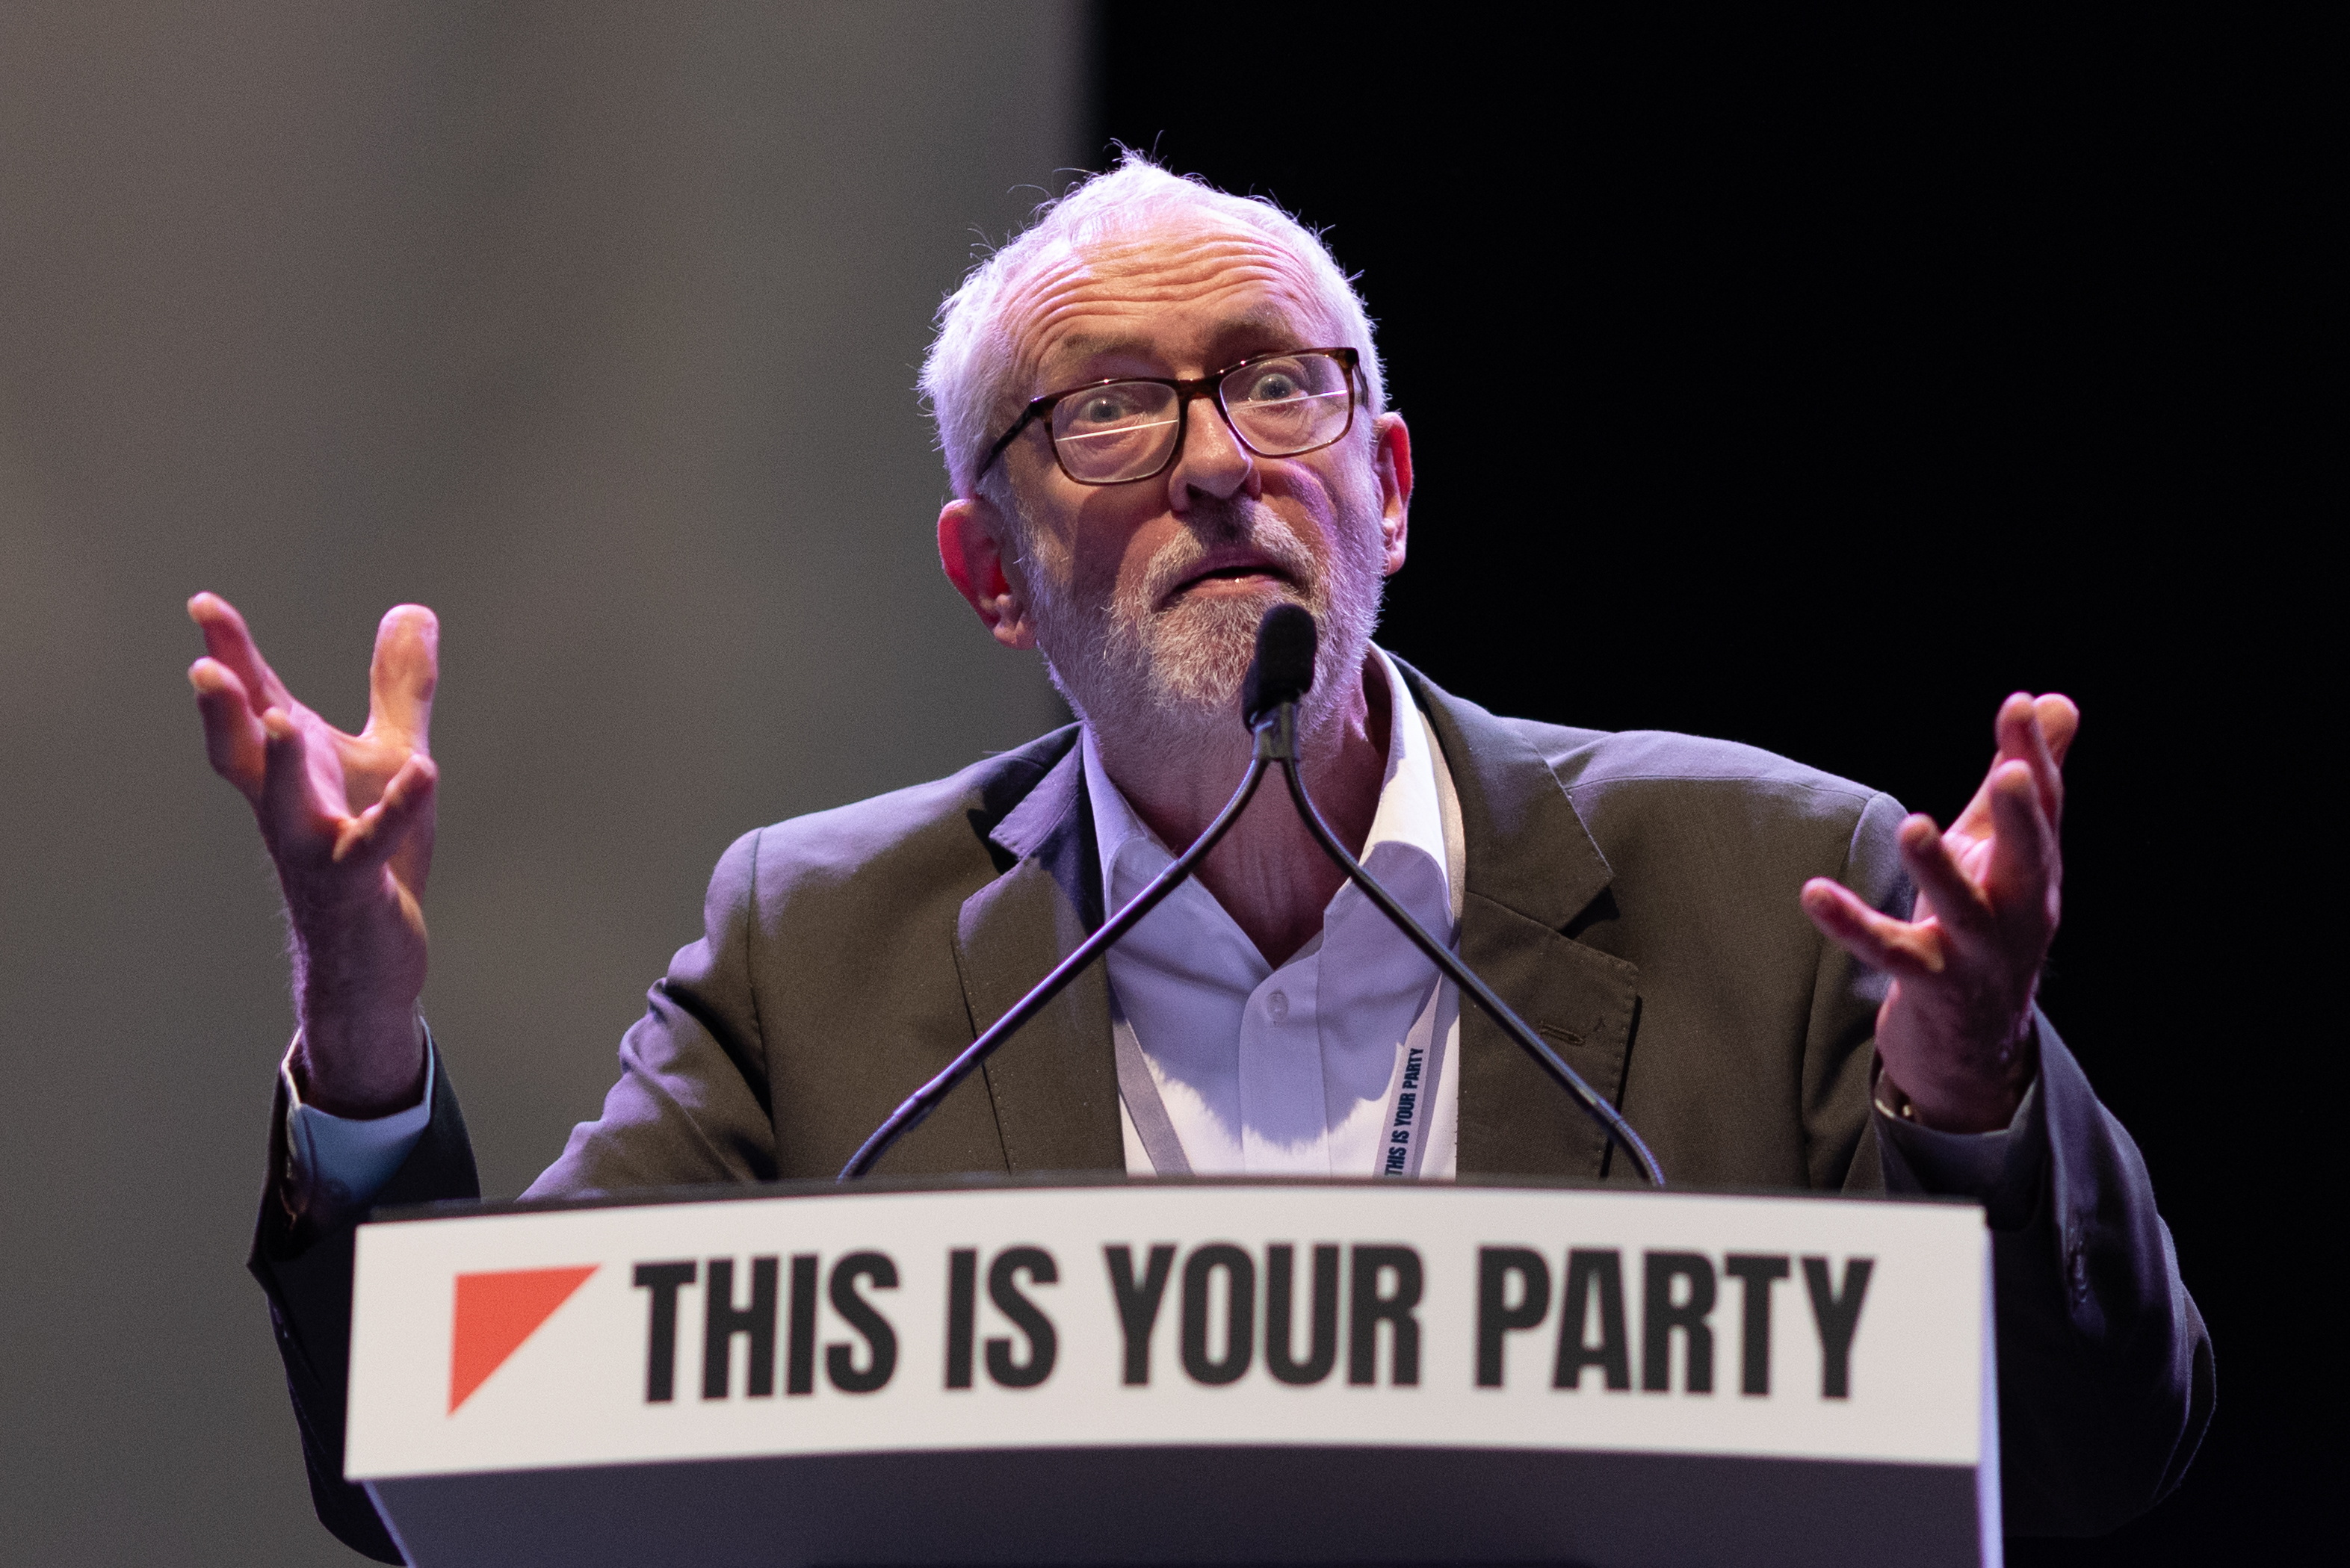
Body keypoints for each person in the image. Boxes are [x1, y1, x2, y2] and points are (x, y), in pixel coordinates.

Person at [190, 158, 2210, 1562]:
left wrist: (1968, 1100)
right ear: (988, 573)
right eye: (1106, 410)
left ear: (1384, 488)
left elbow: (2100, 1453)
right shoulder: (818, 948)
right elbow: (460, 1472)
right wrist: (358, 1033)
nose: (1220, 459)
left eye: (1273, 383)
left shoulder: (1773, 879)